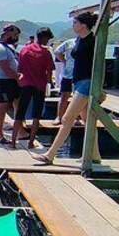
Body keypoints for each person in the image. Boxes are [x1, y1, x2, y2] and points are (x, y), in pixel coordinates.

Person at [34, 11, 100, 165]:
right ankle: (95, 155)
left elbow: (99, 64)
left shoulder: (93, 40)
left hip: (86, 83)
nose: (73, 25)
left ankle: (50, 155)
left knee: (66, 119)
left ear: (83, 25)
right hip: (77, 81)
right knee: (87, 121)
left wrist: (100, 88)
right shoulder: (79, 40)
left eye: (75, 23)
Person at [12, 28, 55, 148]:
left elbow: (19, 68)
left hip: (25, 84)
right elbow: (49, 71)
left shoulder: (24, 50)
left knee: (19, 114)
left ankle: (13, 142)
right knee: (36, 115)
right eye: (48, 39)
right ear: (44, 38)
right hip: (39, 86)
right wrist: (47, 83)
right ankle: (31, 142)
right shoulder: (45, 53)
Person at [0, 23, 21, 145]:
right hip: (4, 82)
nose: (15, 38)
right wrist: (18, 77)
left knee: (16, 104)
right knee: (2, 108)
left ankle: (20, 131)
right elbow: (6, 69)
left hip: (11, 81)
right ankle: (0, 135)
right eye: (14, 35)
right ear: (8, 34)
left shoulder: (7, 47)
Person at [53, 38, 77, 125]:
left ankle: (75, 118)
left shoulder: (88, 42)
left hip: (81, 75)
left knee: (78, 98)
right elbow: (57, 51)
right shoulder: (69, 42)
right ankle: (59, 117)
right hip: (68, 73)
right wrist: (64, 60)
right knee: (64, 96)